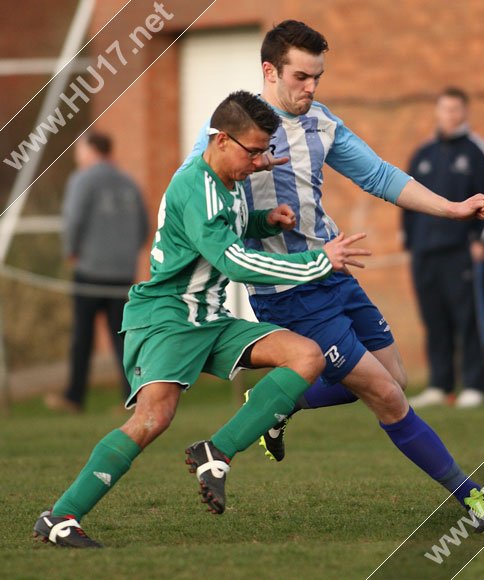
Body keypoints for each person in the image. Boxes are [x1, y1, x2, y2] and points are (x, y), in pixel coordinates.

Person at [183, 21, 484, 532]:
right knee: (389, 396)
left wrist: (451, 208)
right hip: (289, 293)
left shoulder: (321, 123)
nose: (311, 88)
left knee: (393, 378)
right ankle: (474, 499)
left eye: (318, 77)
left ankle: (277, 403)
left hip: (335, 272)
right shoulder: (226, 141)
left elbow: (378, 175)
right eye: (301, 76)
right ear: (269, 71)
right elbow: (201, 215)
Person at [33, 91, 370, 548]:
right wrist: (317, 262)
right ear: (221, 139)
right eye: (252, 152)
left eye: (263, 152)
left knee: (305, 356)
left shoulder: (228, 183)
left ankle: (218, 451)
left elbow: (224, 230)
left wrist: (266, 222)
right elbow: (233, 261)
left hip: (210, 318)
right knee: (154, 419)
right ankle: (60, 517)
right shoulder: (194, 185)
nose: (258, 162)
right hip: (167, 317)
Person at [403, 87, 484, 409]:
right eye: (445, 109)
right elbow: (405, 199)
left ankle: (474, 384)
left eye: (456, 109)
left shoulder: (478, 151)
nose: (450, 115)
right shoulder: (423, 154)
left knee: (467, 318)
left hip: (461, 251)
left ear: (465, 112)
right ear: (437, 112)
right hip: (424, 252)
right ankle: (439, 384)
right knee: (434, 319)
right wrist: (408, 240)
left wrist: (481, 240)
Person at [45, 132, 149, 413]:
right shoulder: (129, 182)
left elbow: (73, 219)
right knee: (123, 338)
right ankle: (133, 397)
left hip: (90, 271)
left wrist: (71, 250)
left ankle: (74, 397)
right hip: (122, 273)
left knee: (82, 338)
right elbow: (143, 227)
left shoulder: (82, 179)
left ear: (91, 151)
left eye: (80, 149)